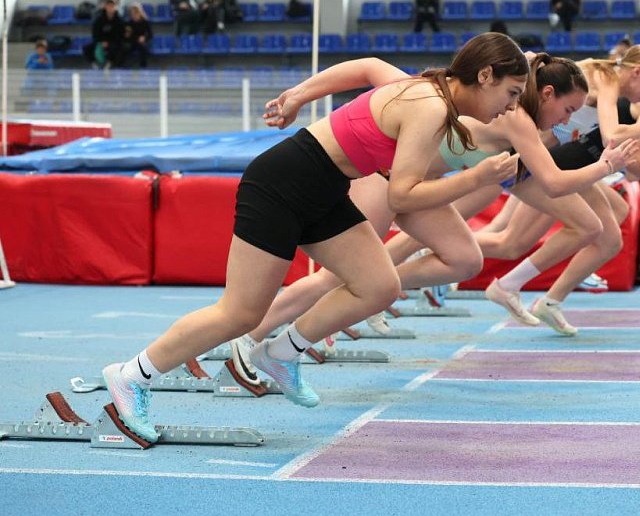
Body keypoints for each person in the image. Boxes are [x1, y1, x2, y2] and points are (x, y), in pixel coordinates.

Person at [98, 33, 530, 444]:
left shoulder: (425, 90)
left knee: (379, 286)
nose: (510, 108)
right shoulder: (429, 105)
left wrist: (300, 95)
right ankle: (131, 375)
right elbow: (402, 193)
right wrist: (475, 177)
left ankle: (281, 352)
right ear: (486, 75)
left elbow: (366, 66)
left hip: (326, 189)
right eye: (511, 94)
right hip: (282, 184)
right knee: (240, 314)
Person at [225, 54, 640, 370]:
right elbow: (551, 182)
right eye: (568, 111)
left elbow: (541, 182)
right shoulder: (511, 117)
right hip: (384, 180)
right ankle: (247, 339)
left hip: (420, 192)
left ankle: (363, 296)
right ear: (544, 94)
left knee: (464, 259)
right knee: (340, 276)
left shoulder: (516, 117)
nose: (569, 122)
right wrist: (299, 94)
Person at [475, 58, 640, 334]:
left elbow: (625, 157)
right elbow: (623, 153)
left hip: (573, 164)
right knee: (512, 241)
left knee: (611, 223)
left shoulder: (630, 94)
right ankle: (450, 256)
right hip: (557, 164)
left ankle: (554, 289)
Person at [83, 0, 125, 69]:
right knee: (87, 48)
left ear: (115, 7)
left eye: (112, 6)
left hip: (113, 42)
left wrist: (109, 42)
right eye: (109, 6)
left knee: (117, 48)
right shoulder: (99, 20)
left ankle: (109, 63)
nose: (110, 8)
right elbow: (95, 33)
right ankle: (94, 64)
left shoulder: (119, 20)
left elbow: (120, 34)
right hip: (101, 41)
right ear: (105, 7)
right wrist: (101, 42)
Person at [124, 3, 153, 68]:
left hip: (142, 42)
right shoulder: (129, 23)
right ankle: (125, 66)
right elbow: (127, 36)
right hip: (133, 41)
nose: (134, 15)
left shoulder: (145, 22)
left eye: (136, 13)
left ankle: (143, 66)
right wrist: (136, 38)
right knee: (125, 47)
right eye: (132, 13)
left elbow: (150, 34)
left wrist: (144, 38)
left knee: (143, 48)